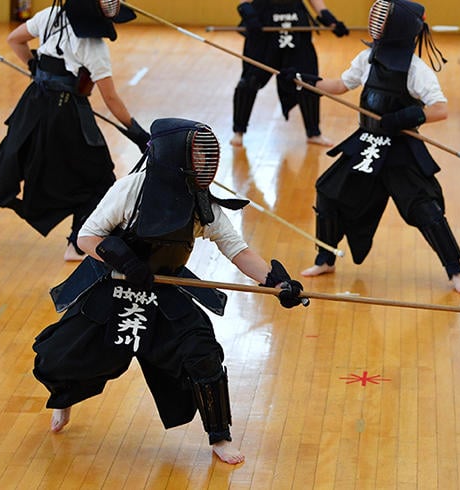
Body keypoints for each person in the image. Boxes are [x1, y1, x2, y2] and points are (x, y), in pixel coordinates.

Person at [32, 118, 306, 464]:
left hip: (165, 291)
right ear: (174, 155)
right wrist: (127, 262)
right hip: (115, 283)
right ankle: (64, 401)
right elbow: (88, 237)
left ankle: (219, 437)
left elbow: (237, 250)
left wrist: (276, 282)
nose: (205, 163)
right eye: (197, 155)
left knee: (202, 352)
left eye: (206, 156)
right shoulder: (131, 188)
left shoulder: (201, 202)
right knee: (64, 354)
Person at [286, 0, 460, 294]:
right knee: (328, 192)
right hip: (368, 143)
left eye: (382, 20)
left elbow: (440, 109)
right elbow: (338, 86)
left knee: (426, 210)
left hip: (400, 150)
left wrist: (405, 117)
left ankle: (455, 270)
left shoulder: (415, 69)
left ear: (397, 28)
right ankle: (325, 258)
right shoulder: (367, 58)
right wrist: (303, 80)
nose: (376, 23)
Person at [0, 0, 150, 261]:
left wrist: (34, 67)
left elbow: (15, 40)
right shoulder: (94, 47)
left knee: (7, 164)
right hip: (67, 115)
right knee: (99, 178)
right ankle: (77, 245)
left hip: (32, 104)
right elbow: (111, 99)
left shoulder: (50, 15)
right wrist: (137, 132)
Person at [230, 0, 349, 148]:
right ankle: (238, 131)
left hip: (296, 26)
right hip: (264, 27)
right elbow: (244, 2)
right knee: (250, 80)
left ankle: (314, 133)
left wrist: (330, 21)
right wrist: (249, 14)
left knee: (306, 79)